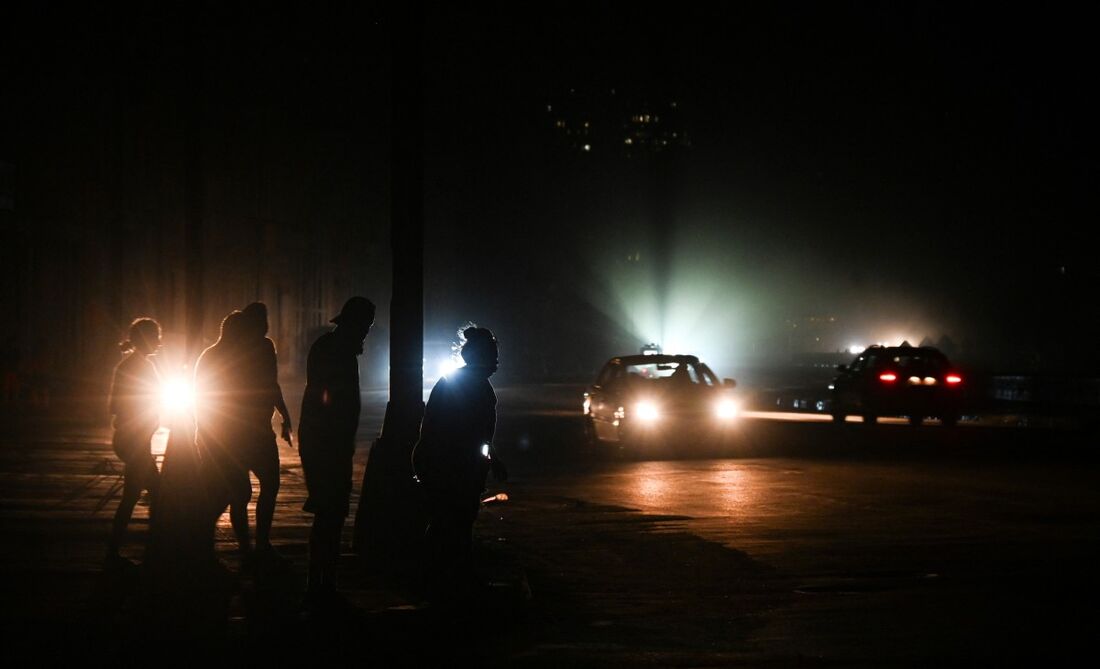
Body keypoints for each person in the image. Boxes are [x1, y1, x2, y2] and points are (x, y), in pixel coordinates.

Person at [412, 325, 507, 601]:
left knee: (448, 522)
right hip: (449, 466)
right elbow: (471, 435)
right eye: (493, 355)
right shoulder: (476, 389)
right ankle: (448, 580)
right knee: (454, 523)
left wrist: (491, 460)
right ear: (481, 357)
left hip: (444, 464)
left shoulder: (459, 383)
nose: (497, 361)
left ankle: (441, 578)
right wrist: (490, 461)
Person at [299, 296, 375, 607]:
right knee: (330, 514)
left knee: (327, 514)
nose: (366, 335)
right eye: (365, 328)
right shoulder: (339, 354)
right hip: (327, 445)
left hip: (326, 443)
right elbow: (330, 400)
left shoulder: (328, 348)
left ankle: (319, 582)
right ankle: (322, 585)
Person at [193, 311, 252, 555]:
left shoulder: (209, 356)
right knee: (234, 494)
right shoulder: (233, 360)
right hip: (225, 440)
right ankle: (236, 551)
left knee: (229, 493)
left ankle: (215, 548)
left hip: (213, 437)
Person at [237, 302, 293, 559]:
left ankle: (249, 546)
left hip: (241, 431)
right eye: (263, 319)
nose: (266, 324)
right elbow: (271, 385)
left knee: (240, 491)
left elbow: (272, 384)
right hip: (256, 431)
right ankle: (259, 543)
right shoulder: (264, 347)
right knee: (268, 485)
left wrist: (284, 415)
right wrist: (284, 415)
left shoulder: (236, 349)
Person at [107, 318, 163, 565]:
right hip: (135, 441)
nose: (159, 342)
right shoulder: (140, 366)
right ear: (146, 339)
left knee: (143, 493)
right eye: (156, 337)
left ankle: (126, 549)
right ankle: (151, 550)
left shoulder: (129, 365)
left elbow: (114, 406)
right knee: (150, 494)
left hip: (131, 440)